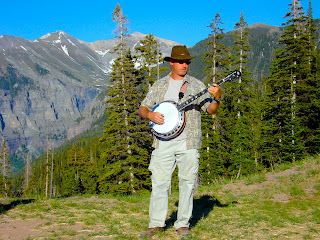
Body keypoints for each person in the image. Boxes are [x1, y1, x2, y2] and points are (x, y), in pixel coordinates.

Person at [139, 45, 221, 238]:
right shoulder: (160, 85)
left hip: (188, 142)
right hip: (162, 143)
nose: (185, 65)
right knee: (159, 182)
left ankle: (182, 224)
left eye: (187, 62)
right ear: (172, 63)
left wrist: (217, 98)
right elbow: (143, 108)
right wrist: (151, 115)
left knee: (187, 182)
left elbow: (211, 110)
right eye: (181, 62)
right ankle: (156, 224)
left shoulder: (196, 85)